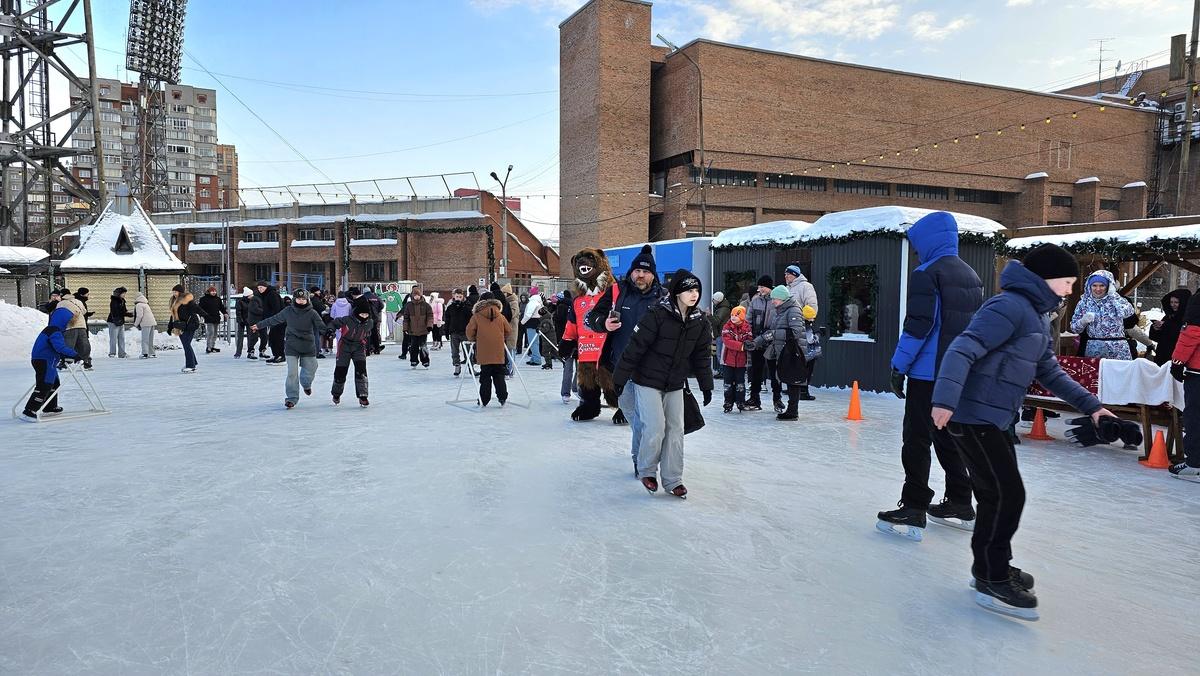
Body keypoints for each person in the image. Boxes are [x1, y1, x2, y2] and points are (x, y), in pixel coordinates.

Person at [931, 243, 1117, 620]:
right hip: (973, 416)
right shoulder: (1009, 307)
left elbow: (1049, 373)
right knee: (1006, 496)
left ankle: (990, 568)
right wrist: (945, 399)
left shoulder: (1036, 316)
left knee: (995, 495)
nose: (1070, 291)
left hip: (994, 418)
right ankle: (993, 576)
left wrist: (1093, 408)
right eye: (1066, 282)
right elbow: (963, 348)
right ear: (1046, 279)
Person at [879, 211, 983, 537]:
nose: (916, 252)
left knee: (917, 438)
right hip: (957, 375)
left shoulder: (927, 273)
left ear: (927, 242)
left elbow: (919, 327)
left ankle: (913, 506)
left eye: (917, 245)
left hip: (927, 374)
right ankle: (961, 499)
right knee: (948, 436)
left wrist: (899, 366)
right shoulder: (971, 275)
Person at [613, 269, 714, 499]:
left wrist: (706, 385)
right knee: (655, 427)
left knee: (675, 431)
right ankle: (647, 470)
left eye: (697, 290)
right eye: (689, 290)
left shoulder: (699, 322)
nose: (694, 294)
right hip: (647, 380)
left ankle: (673, 479)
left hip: (675, 383)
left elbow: (701, 357)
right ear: (677, 292)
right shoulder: (657, 315)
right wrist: (619, 379)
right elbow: (633, 348)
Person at [586, 245, 665, 440]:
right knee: (629, 411)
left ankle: (642, 460)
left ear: (653, 275)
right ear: (631, 272)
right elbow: (591, 317)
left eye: (646, 272)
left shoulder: (663, 297)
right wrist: (603, 323)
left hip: (652, 369)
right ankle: (643, 451)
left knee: (649, 418)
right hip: (621, 367)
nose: (640, 275)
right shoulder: (616, 291)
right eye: (637, 271)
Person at [251, 288, 326, 408]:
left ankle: (306, 385)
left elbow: (321, 325)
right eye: (298, 299)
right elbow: (274, 319)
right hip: (292, 345)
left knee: (311, 368)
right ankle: (291, 398)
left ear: (307, 300)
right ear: (294, 299)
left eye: (303, 299)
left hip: (308, 345)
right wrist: (259, 325)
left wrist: (328, 332)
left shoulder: (312, 313)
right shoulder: (288, 311)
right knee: (292, 373)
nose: (301, 301)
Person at [755, 286, 806, 420]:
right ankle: (791, 409)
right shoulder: (781, 311)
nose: (773, 302)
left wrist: (773, 334)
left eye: (775, 299)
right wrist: (757, 342)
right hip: (784, 350)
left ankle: (792, 411)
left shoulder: (793, 310)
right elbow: (772, 331)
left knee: (793, 381)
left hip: (793, 351)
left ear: (782, 298)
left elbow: (795, 332)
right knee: (787, 378)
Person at [21, 306, 78, 420]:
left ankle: (50, 406)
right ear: (63, 320)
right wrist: (74, 354)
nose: (69, 325)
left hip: (44, 360)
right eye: (69, 322)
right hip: (45, 361)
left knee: (54, 383)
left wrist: (62, 356)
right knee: (45, 384)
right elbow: (59, 347)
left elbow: (53, 347)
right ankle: (30, 410)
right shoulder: (54, 331)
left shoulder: (52, 329)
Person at [1070, 269, 1135, 360]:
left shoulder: (1116, 300)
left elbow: (1128, 313)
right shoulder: (1083, 302)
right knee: (1096, 374)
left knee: (1119, 374)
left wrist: (1113, 295)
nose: (1098, 289)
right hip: (1094, 349)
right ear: (1089, 286)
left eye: (1102, 285)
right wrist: (1083, 321)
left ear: (1108, 286)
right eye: (1094, 285)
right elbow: (1074, 328)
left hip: (1118, 348)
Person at [466, 291, 513, 407]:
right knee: (499, 374)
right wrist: (500, 338)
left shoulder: (476, 316)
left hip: (483, 350)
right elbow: (508, 330)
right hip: (498, 350)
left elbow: (470, 331)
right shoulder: (500, 316)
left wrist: (474, 340)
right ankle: (502, 397)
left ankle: (484, 399)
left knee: (485, 375)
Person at [328, 296, 375, 407]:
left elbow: (368, 334)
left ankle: (363, 395)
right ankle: (336, 394)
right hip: (344, 346)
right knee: (341, 371)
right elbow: (334, 323)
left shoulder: (369, 322)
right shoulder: (348, 320)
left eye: (366, 314)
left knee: (361, 371)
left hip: (359, 347)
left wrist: (368, 346)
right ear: (357, 313)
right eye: (362, 314)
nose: (364, 316)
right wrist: (330, 330)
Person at [745, 276, 775, 411]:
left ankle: (777, 399)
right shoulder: (755, 301)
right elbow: (748, 321)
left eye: (762, 287)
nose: (760, 289)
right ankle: (754, 398)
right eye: (759, 287)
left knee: (774, 372)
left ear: (769, 287)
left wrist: (766, 337)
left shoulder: (776, 301)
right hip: (756, 342)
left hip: (772, 342)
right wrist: (748, 336)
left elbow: (777, 324)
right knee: (756, 372)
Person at [720, 305, 753, 412]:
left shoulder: (747, 327)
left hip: (741, 361)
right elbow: (727, 341)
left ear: (742, 316)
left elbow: (749, 339)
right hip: (728, 361)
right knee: (728, 382)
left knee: (740, 382)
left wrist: (749, 342)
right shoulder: (727, 327)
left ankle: (740, 401)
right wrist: (742, 346)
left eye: (736, 315)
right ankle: (728, 401)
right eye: (732, 315)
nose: (733, 317)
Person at [1151, 288, 1191, 366]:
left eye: (1176, 302)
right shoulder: (1168, 317)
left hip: (1177, 356)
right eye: (1171, 302)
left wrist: (1165, 326)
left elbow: (1181, 333)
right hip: (1162, 356)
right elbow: (1157, 338)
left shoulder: (1188, 318)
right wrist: (1156, 328)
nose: (1173, 305)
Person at [56, 288, 93, 371]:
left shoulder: (61, 303)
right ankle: (86, 361)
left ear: (62, 296)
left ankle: (65, 362)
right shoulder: (78, 301)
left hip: (70, 325)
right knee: (83, 343)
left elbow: (59, 314)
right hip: (81, 325)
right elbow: (84, 311)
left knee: (68, 344)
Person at [400, 286, 434, 368]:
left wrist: (429, 326)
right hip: (413, 330)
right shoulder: (409, 306)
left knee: (423, 347)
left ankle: (425, 361)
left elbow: (430, 316)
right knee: (413, 347)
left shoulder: (426, 305)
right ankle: (414, 360)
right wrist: (405, 328)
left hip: (423, 330)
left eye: (418, 295)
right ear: (412, 296)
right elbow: (406, 318)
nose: (417, 297)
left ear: (421, 295)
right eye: (415, 295)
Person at [169, 291, 202, 373]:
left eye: (176, 292)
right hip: (181, 326)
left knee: (186, 344)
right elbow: (173, 315)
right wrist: (171, 325)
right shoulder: (174, 301)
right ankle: (193, 362)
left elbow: (189, 314)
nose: (174, 293)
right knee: (186, 344)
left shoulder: (187, 302)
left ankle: (191, 365)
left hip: (190, 325)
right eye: (173, 292)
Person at [443, 288, 472, 376]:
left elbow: (471, 320)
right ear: (454, 297)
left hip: (464, 332)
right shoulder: (450, 307)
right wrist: (446, 331)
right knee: (454, 351)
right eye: (457, 296)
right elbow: (447, 320)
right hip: (454, 332)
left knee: (468, 350)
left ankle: (471, 367)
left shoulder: (467, 306)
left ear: (463, 297)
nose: (458, 298)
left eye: (460, 296)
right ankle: (457, 365)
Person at [555, 290, 577, 404]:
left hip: (568, 340)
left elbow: (558, 321)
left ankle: (566, 392)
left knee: (568, 369)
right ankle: (574, 388)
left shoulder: (561, 306)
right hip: (576, 340)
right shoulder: (575, 307)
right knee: (579, 369)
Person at [256, 281, 285, 363]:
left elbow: (277, 308)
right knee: (272, 338)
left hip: (278, 320)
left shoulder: (272, 294)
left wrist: (274, 319)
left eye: (261, 287)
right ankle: (276, 355)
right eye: (258, 288)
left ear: (266, 287)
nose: (260, 289)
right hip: (272, 320)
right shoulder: (265, 295)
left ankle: (281, 355)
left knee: (277, 338)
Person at [198, 286, 227, 355]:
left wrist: (225, 313)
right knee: (211, 332)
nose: (214, 292)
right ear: (209, 292)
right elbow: (200, 308)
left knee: (215, 334)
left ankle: (212, 346)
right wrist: (201, 315)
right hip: (208, 318)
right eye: (212, 291)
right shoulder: (204, 299)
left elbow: (221, 307)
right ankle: (208, 347)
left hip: (216, 318)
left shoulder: (218, 299)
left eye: (215, 291)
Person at [105, 286, 133, 358]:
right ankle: (112, 353)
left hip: (121, 321)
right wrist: (126, 314)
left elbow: (124, 310)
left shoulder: (122, 300)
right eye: (123, 293)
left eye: (124, 293)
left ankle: (122, 353)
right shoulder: (114, 301)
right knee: (113, 338)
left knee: (122, 338)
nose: (124, 295)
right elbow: (116, 312)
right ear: (118, 293)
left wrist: (128, 313)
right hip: (113, 321)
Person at [521, 287, 545, 365]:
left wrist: (522, 322)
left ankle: (536, 359)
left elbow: (528, 314)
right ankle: (534, 358)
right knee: (536, 342)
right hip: (537, 322)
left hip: (531, 322)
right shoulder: (539, 301)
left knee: (532, 342)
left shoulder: (532, 302)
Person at [710, 291, 731, 374]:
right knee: (720, 353)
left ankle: (723, 371)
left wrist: (709, 316)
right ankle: (722, 370)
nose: (713, 301)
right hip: (720, 333)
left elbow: (717, 321)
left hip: (721, 334)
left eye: (714, 300)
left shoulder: (723, 309)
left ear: (718, 300)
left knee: (720, 354)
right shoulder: (722, 308)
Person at [132, 292, 157, 359]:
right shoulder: (146, 304)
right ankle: (152, 353)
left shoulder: (139, 305)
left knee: (145, 339)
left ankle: (144, 353)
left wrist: (135, 324)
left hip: (146, 323)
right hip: (152, 322)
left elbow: (139, 316)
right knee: (150, 339)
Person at [247, 284, 268, 359]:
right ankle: (250, 352)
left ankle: (262, 351)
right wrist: (265, 311)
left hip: (262, 321)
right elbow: (254, 309)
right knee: (254, 337)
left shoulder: (262, 298)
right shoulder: (255, 298)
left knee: (264, 337)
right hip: (254, 321)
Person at [308, 287, 329, 358]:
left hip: (310, 319)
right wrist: (323, 304)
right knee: (316, 336)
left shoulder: (309, 298)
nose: (319, 292)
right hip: (315, 320)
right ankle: (316, 352)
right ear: (315, 292)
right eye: (318, 291)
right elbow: (321, 307)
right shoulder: (315, 299)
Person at [233, 288, 252, 358]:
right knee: (240, 337)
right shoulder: (240, 302)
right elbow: (238, 312)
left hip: (249, 321)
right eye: (250, 295)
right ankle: (238, 352)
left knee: (250, 337)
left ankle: (250, 351)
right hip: (242, 321)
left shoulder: (252, 301)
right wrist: (241, 320)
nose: (252, 296)